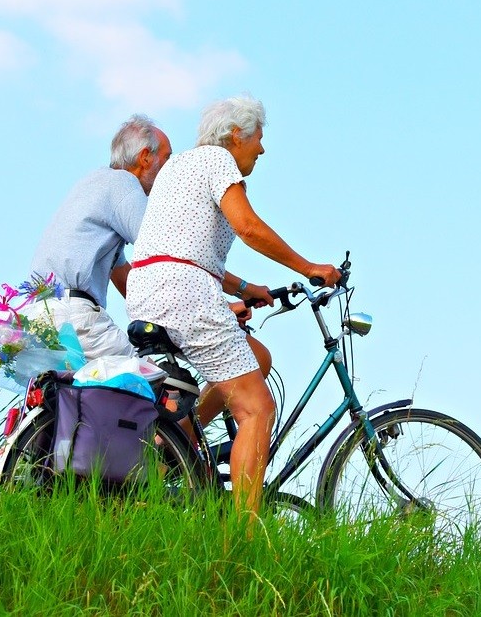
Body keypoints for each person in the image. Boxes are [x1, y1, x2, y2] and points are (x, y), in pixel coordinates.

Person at [125, 95, 340, 514]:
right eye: (259, 137)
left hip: (150, 289)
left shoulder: (179, 167)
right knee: (257, 408)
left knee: (256, 358)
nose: (261, 148)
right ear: (236, 135)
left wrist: (243, 289)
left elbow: (181, 247)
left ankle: (178, 445)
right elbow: (247, 226)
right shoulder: (218, 159)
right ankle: (241, 538)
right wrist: (308, 266)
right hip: (183, 292)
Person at [24, 115, 171, 359]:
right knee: (154, 383)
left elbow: (124, 277)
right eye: (167, 158)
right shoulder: (123, 184)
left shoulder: (94, 183)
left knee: (79, 395)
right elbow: (165, 250)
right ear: (145, 157)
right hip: (74, 316)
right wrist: (215, 305)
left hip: (39, 317)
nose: (170, 168)